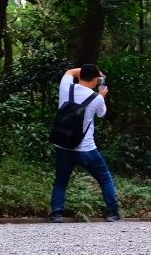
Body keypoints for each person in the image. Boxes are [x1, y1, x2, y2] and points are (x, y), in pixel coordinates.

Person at [50, 65, 120, 222]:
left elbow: (69, 72)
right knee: (105, 179)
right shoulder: (96, 98)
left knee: (61, 180)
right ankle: (113, 213)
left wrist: (89, 70)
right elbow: (102, 114)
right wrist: (102, 96)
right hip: (86, 149)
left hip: (63, 145)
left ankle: (56, 214)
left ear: (80, 75)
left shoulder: (65, 87)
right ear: (96, 80)